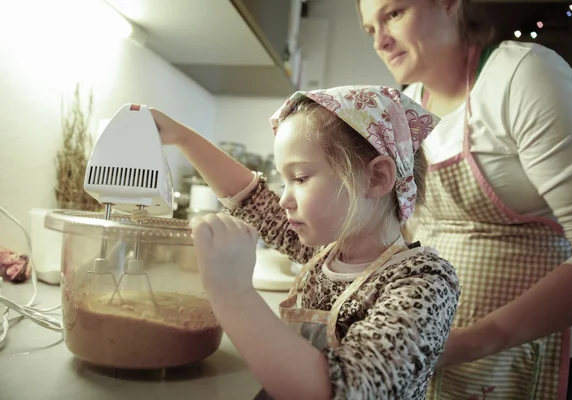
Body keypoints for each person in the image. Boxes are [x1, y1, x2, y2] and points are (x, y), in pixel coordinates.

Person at [149, 85, 460, 399]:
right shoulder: (324, 251)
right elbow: (251, 199)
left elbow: (344, 389)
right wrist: (181, 138)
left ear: (376, 178)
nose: (284, 199)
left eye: (299, 178)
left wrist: (234, 294)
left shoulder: (423, 282)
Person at [356, 0, 572, 399]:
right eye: (370, 29)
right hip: (445, 355)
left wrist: (474, 341)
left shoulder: (522, 76)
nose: (381, 41)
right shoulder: (407, 107)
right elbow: (407, 230)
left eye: (394, 14)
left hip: (543, 355)